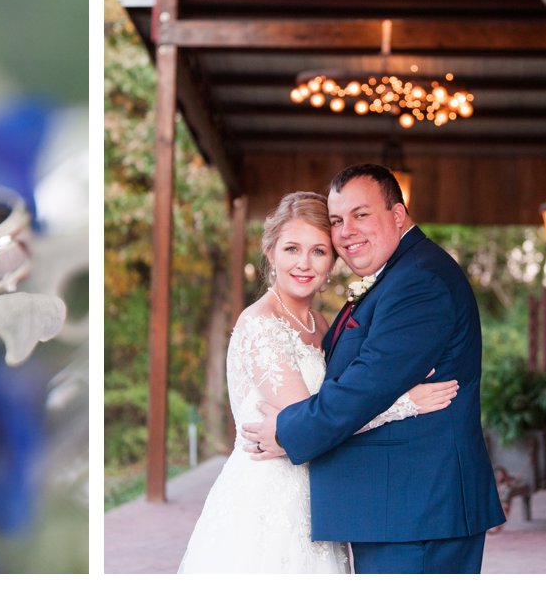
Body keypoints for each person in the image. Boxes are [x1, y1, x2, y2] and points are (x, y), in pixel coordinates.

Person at [241, 165, 506, 573]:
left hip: (417, 513)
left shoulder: (418, 281)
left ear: (397, 214)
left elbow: (366, 386)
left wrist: (286, 432)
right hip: (396, 511)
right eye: (337, 221)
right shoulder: (397, 275)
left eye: (361, 214)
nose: (347, 231)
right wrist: (405, 402)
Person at [178, 191, 458, 573]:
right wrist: (403, 402)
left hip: (319, 497)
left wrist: (396, 375)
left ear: (333, 261)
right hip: (268, 500)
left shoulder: (322, 325)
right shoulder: (260, 324)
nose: (304, 264)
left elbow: (341, 401)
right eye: (292, 249)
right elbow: (307, 420)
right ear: (271, 252)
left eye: (319, 251)